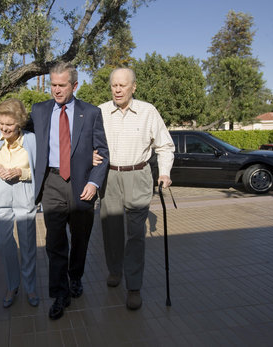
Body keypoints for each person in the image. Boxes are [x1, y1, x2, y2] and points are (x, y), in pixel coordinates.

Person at [0, 62, 109, 320]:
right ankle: (59, 294)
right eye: (53, 84)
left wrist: (94, 182)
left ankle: (75, 277)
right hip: (51, 183)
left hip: (81, 184)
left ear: (75, 85)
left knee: (81, 237)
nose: (56, 90)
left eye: (62, 85)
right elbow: (15, 126)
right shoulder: (40, 111)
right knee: (54, 242)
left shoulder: (91, 112)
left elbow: (103, 152)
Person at [96, 67, 175, 310]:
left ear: (133, 87)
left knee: (135, 235)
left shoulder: (148, 111)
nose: (117, 89)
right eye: (114, 85)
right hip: (109, 177)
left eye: (123, 85)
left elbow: (165, 145)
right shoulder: (100, 111)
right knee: (110, 229)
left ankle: (134, 287)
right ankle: (114, 270)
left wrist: (164, 173)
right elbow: (88, 143)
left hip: (139, 175)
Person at [0, 98, 39, 308]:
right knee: (4, 244)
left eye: (9, 124)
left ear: (20, 123)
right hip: (0, 192)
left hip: (24, 190)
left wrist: (20, 172)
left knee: (27, 243)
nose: (4, 128)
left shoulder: (32, 139)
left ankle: (30, 287)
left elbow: (39, 170)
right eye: (1, 123)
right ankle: (13, 285)